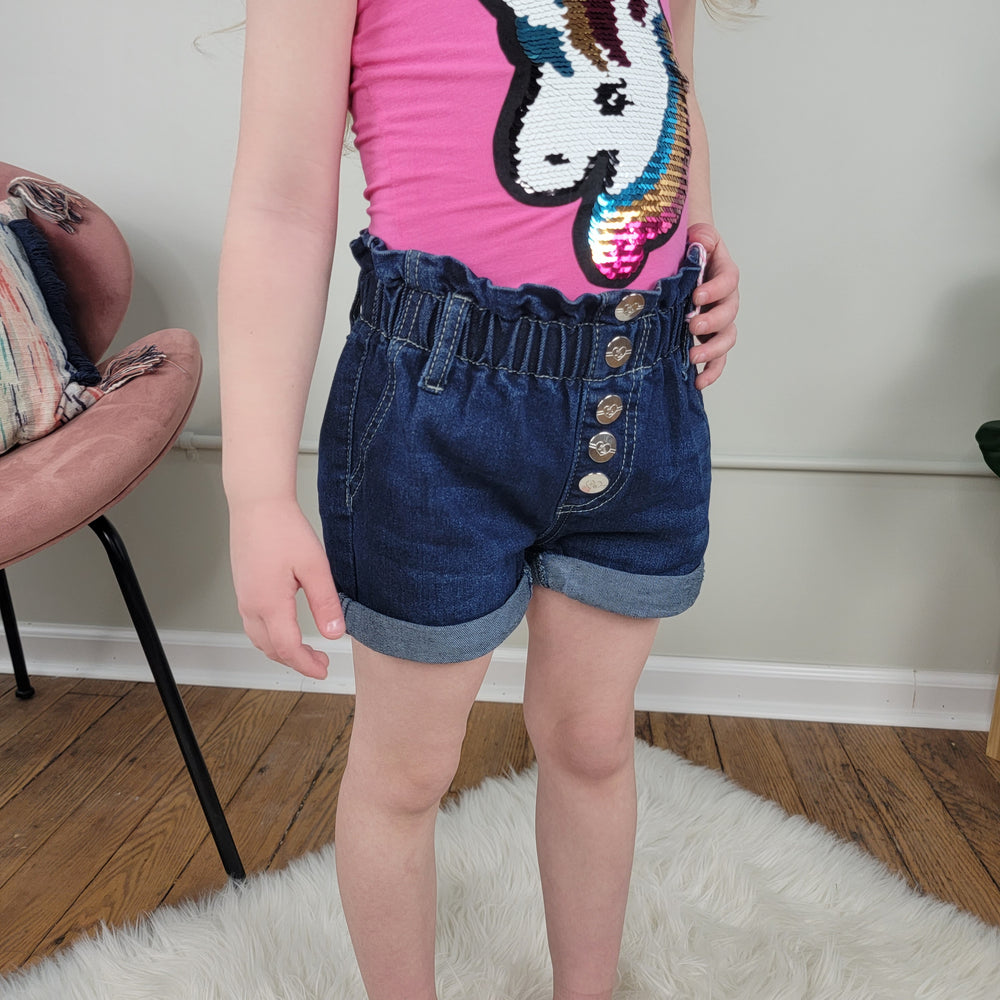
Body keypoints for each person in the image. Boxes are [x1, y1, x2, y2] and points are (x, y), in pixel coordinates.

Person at [218, 1, 744, 997]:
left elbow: (668, 83)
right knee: (407, 771)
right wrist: (255, 489)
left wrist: (700, 239)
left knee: (591, 741)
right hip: (434, 408)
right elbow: (280, 205)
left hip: (642, 385)